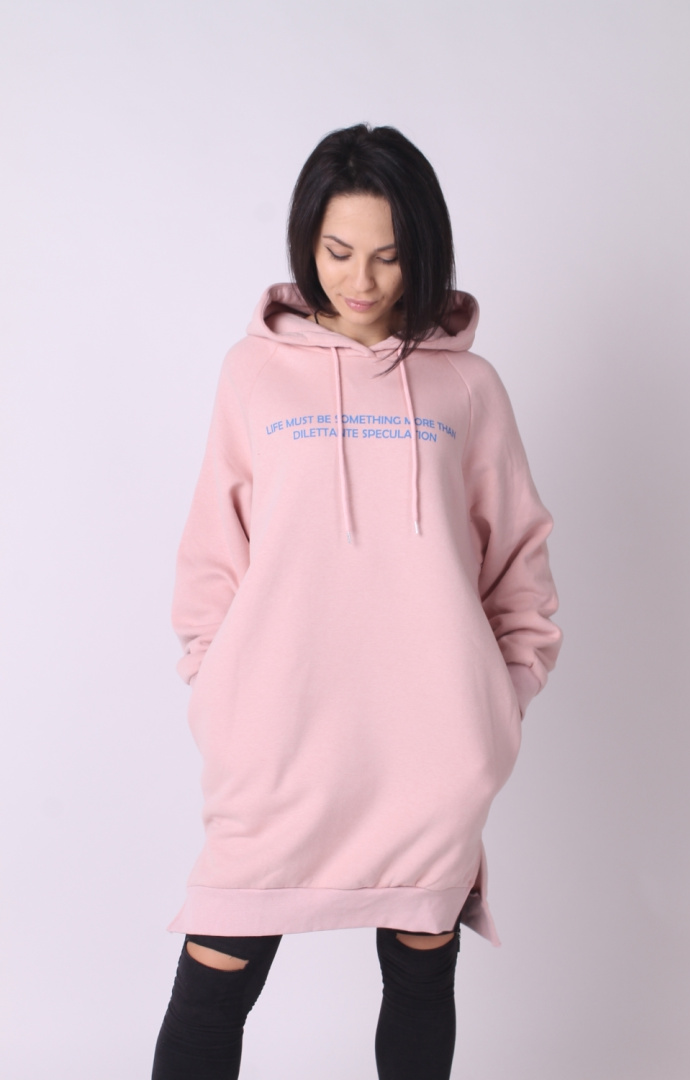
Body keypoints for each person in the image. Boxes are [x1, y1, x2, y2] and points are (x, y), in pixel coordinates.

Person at [151, 123, 562, 1080]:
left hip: (431, 751)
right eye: (338, 251)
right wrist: (222, 692)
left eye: (388, 254)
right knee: (214, 982)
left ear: (423, 250)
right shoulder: (253, 373)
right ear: (307, 242)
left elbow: (519, 566)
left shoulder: (468, 387)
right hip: (276, 743)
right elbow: (212, 555)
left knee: (420, 976)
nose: (361, 280)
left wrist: (492, 709)